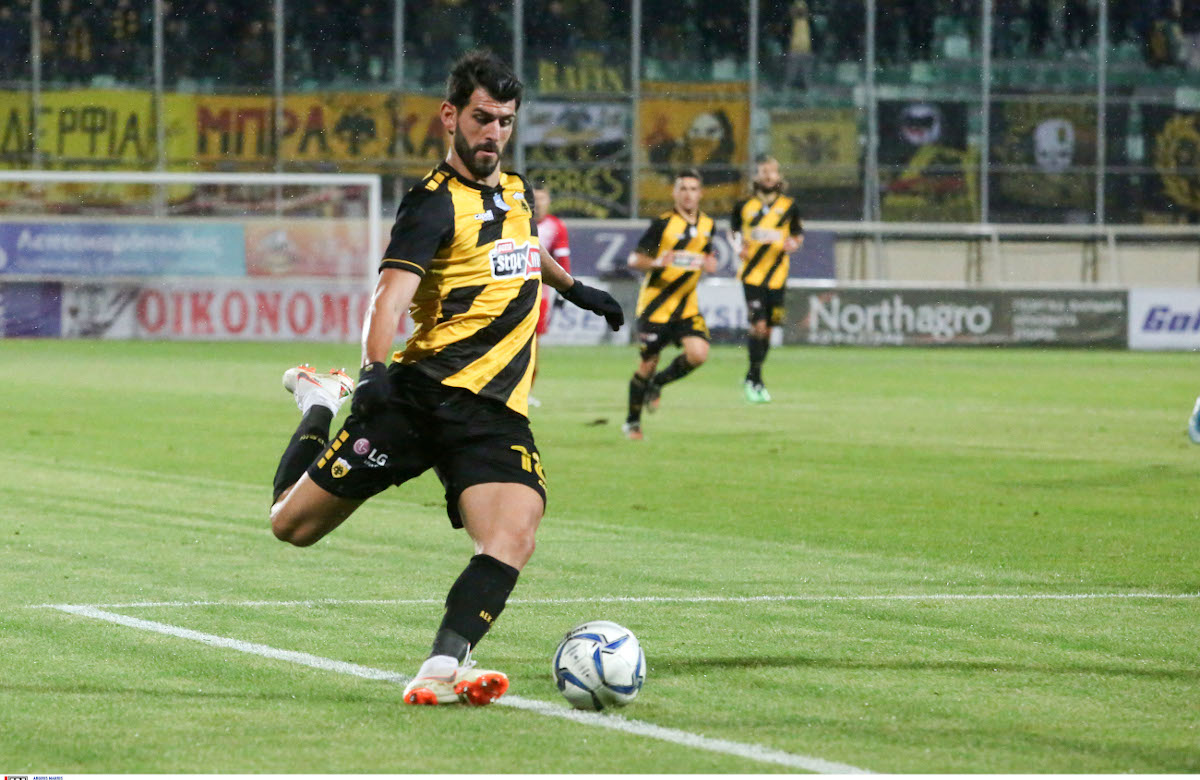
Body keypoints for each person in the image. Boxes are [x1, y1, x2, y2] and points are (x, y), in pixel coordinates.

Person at [267, 50, 623, 707]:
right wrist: (371, 374)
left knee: (515, 532)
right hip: (418, 397)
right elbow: (388, 299)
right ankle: (318, 402)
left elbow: (523, 248)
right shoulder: (430, 205)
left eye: (506, 121)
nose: (494, 133)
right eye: (483, 118)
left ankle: (441, 667)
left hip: (492, 412)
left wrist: (574, 289)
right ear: (451, 116)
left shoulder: (518, 190)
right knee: (292, 525)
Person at [622, 169, 717, 441]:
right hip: (655, 307)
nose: (688, 194)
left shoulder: (708, 225)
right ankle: (632, 423)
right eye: (683, 189)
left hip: (686, 307)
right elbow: (634, 259)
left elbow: (708, 255)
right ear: (675, 193)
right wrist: (656, 262)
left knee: (699, 354)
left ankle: (658, 384)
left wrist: (711, 262)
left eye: (693, 189)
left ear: (701, 194)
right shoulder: (662, 224)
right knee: (647, 364)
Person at [729, 156, 802, 403]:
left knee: (769, 329)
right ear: (757, 176)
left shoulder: (789, 206)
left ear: (779, 176)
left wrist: (794, 244)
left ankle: (752, 375)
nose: (769, 175)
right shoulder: (744, 205)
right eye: (764, 171)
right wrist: (738, 246)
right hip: (752, 276)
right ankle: (756, 380)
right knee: (758, 326)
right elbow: (733, 230)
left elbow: (798, 234)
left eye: (772, 171)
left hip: (778, 277)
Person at [528, 182, 572, 407]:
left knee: (532, 345)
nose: (538, 203)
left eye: (542, 198)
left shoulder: (556, 226)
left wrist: (565, 292)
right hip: (511, 291)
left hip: (539, 296)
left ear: (549, 201)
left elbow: (562, 262)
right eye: (534, 198)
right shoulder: (517, 221)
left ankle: (525, 391)